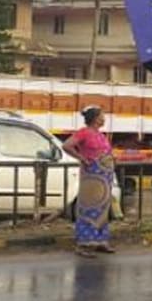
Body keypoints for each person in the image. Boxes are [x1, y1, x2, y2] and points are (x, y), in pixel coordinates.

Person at [64, 106, 116, 257]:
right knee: (88, 208)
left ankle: (100, 241)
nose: (104, 118)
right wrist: (82, 158)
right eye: (102, 116)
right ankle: (84, 244)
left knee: (102, 209)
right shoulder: (84, 133)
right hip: (92, 176)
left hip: (104, 177)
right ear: (95, 118)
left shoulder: (101, 135)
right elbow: (67, 145)